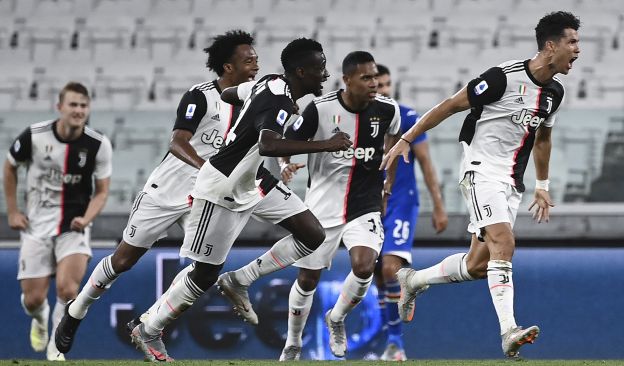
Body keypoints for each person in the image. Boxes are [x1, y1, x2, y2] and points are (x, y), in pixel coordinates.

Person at [128, 37, 352, 362]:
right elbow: (269, 146)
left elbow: (230, 93)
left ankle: (239, 280)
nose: (326, 75)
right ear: (301, 71)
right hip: (220, 187)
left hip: (252, 183)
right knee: (204, 274)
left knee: (312, 234)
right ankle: (147, 330)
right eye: (320, 69)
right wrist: (327, 145)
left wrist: (249, 111)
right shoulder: (278, 99)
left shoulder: (270, 84)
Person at [380, 11, 580, 359]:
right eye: (572, 42)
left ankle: (413, 281)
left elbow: (543, 138)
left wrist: (542, 184)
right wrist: (407, 139)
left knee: (478, 265)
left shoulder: (554, 93)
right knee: (504, 241)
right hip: (480, 169)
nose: (578, 49)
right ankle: (508, 331)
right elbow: (450, 105)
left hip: (511, 182)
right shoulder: (503, 78)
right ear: (551, 46)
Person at [54, 30, 260, 355]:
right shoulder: (201, 96)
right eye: (248, 60)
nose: (255, 66)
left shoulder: (255, 103)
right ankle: (76, 311)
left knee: (204, 269)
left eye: (256, 60)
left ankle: (150, 326)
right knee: (124, 259)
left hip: (205, 198)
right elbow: (177, 141)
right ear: (227, 67)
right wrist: (206, 167)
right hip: (166, 190)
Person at [221, 51, 401, 361]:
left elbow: (394, 142)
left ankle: (337, 318)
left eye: (376, 77)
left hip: (365, 204)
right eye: (366, 78)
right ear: (347, 80)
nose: (374, 84)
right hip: (323, 204)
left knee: (364, 266)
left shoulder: (388, 110)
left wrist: (387, 186)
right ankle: (292, 342)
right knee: (307, 279)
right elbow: (285, 140)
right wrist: (286, 163)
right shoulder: (319, 109)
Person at [3, 82, 112, 361]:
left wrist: (86, 218)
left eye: (83, 106)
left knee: (68, 289)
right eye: (73, 104)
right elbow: (10, 166)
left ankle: (55, 348)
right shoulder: (35, 136)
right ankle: (39, 320)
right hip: (35, 226)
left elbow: (101, 191)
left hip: (73, 226)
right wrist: (13, 211)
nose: (78, 110)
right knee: (33, 299)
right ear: (60, 107)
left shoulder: (98, 144)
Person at [373, 64, 449, 361]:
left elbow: (426, 164)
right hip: (368, 203)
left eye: (387, 84)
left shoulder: (407, 117)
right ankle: (389, 341)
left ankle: (395, 342)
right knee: (376, 274)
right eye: (379, 85)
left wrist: (438, 205)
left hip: (401, 201)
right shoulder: (359, 119)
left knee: (391, 268)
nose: (384, 90)